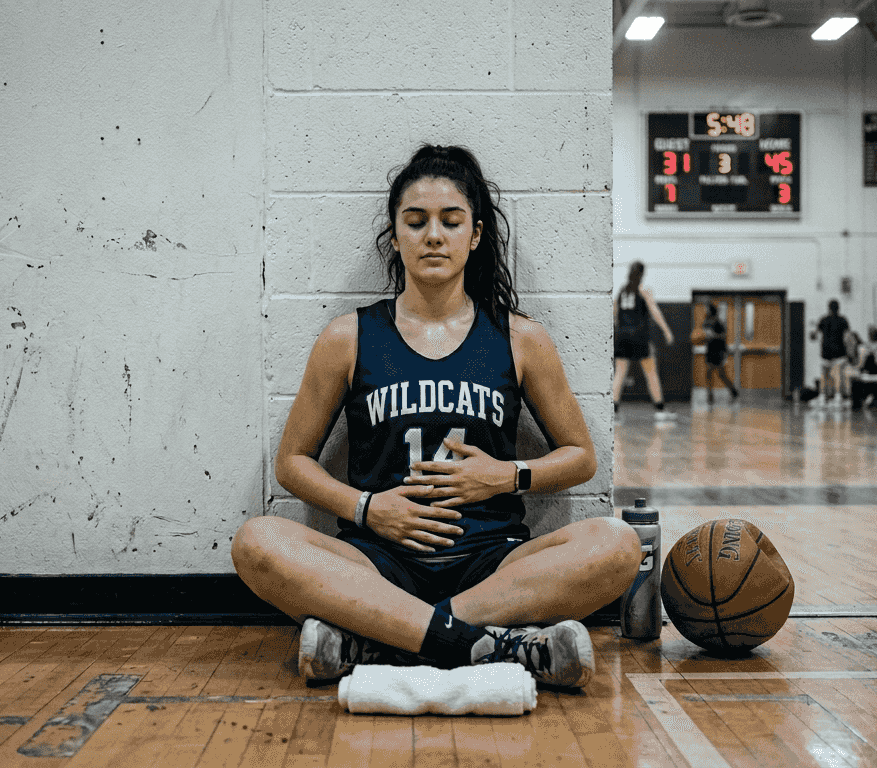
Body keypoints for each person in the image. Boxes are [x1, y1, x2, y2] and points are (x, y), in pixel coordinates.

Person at [231, 145, 639, 690]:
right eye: (415, 221)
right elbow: (292, 463)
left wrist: (505, 474)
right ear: (394, 235)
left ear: (474, 235)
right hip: (377, 565)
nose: (433, 236)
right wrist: (369, 509)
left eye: (451, 221)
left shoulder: (520, 338)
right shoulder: (347, 338)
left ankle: (380, 641)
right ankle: (484, 643)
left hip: (492, 562)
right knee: (256, 542)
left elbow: (581, 457)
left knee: (618, 546)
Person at [613, 262, 677, 422]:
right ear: (642, 274)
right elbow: (654, 311)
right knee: (651, 374)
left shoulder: (622, 292)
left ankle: (613, 411)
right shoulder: (643, 290)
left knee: (619, 374)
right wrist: (666, 330)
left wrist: (620, 329)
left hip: (622, 336)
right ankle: (660, 410)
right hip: (639, 337)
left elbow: (614, 312)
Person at [810, 299, 852, 408]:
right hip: (839, 352)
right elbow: (847, 337)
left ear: (828, 308)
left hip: (825, 352)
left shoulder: (823, 320)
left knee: (824, 376)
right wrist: (850, 352)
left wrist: (812, 331)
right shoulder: (843, 320)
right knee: (838, 374)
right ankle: (838, 397)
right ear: (839, 308)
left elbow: (814, 335)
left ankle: (822, 396)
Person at [700, 301, 739, 404]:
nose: (705, 310)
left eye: (707, 308)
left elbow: (723, 336)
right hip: (710, 350)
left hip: (718, 350)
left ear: (711, 310)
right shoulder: (705, 321)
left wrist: (714, 336)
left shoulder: (718, 322)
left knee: (721, 374)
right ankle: (710, 395)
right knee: (709, 373)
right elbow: (704, 336)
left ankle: (733, 390)